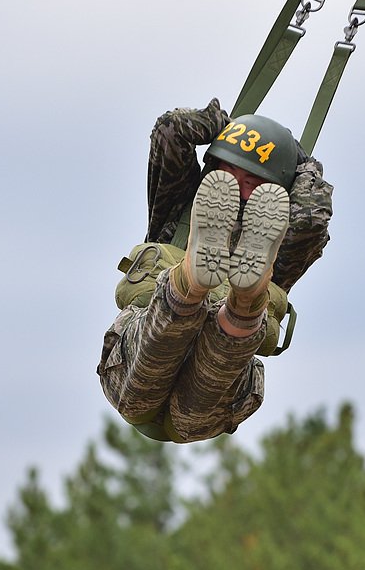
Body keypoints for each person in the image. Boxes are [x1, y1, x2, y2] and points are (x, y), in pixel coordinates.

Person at [97, 99, 333, 443]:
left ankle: (234, 294)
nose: (236, 187)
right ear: (212, 171)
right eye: (227, 172)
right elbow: (171, 132)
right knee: (163, 349)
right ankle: (205, 284)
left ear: (276, 193)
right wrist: (226, 125)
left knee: (211, 347)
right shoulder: (182, 202)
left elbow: (311, 216)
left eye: (252, 183)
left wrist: (299, 162)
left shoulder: (282, 236)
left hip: (198, 400)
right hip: (145, 377)